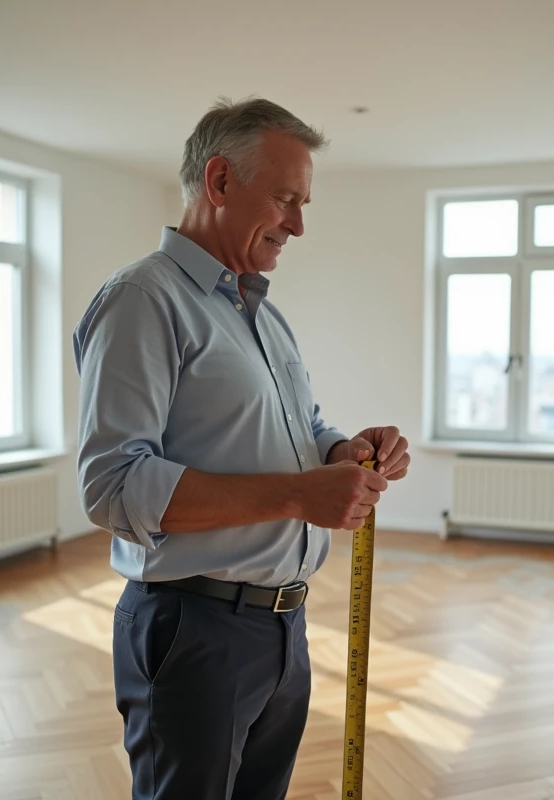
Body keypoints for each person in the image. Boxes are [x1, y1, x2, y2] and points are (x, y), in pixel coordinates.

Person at [72, 97, 411, 800]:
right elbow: (112, 487)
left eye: (303, 203)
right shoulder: (144, 299)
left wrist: (345, 451)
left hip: (281, 627)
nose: (298, 224)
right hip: (192, 631)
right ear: (220, 181)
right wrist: (295, 496)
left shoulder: (262, 314)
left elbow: (302, 428)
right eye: (286, 199)